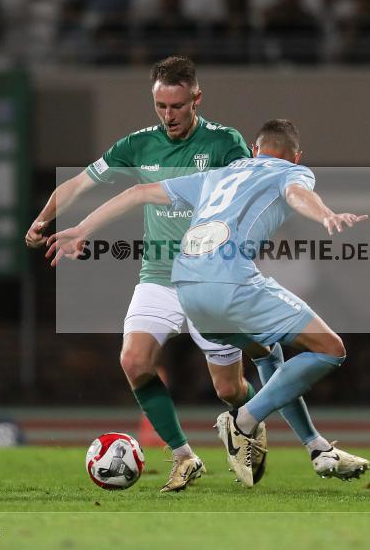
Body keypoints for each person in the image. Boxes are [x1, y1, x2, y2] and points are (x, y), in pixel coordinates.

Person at [46, 119, 370, 487]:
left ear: (253, 149)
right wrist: (326, 214)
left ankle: (318, 448)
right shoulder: (292, 171)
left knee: (266, 354)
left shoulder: (221, 174)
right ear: (297, 156)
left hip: (186, 284)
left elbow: (137, 194)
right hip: (231, 283)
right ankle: (243, 421)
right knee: (331, 348)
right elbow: (298, 192)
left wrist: (81, 229)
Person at [26, 56, 257, 492]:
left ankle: (249, 420)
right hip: (159, 275)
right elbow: (77, 185)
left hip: (212, 278)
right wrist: (43, 220)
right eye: (161, 106)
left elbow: (248, 197)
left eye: (177, 106)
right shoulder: (138, 145)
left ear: (196, 99)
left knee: (228, 390)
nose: (168, 116)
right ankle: (184, 457)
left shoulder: (226, 143)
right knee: (133, 361)